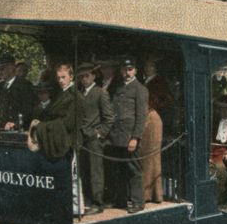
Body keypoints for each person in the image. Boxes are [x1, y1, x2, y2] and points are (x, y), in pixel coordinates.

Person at [106, 57, 149, 214]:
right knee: (118, 169)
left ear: (135, 70)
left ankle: (138, 202)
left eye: (130, 69)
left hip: (129, 136)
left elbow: (141, 117)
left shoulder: (140, 89)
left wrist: (135, 137)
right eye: (124, 69)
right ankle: (120, 200)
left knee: (134, 169)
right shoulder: (116, 88)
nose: (126, 73)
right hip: (116, 136)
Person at [77, 62, 115, 215]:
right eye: (81, 77)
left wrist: (99, 133)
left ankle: (97, 203)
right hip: (81, 138)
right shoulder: (79, 93)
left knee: (96, 172)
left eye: (87, 76)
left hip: (93, 139)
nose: (84, 79)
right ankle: (86, 201)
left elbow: (109, 118)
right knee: (83, 170)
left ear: (93, 76)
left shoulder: (100, 93)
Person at [30, 64, 84, 160]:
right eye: (58, 78)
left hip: (68, 144)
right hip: (59, 140)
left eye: (63, 77)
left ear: (71, 77)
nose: (60, 80)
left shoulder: (75, 96)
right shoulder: (62, 93)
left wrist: (42, 126)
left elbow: (69, 123)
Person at [140, 56, 175, 204]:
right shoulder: (143, 82)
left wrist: (154, 106)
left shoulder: (159, 82)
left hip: (154, 120)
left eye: (151, 66)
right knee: (143, 156)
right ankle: (144, 192)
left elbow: (168, 100)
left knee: (152, 156)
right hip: (143, 120)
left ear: (155, 68)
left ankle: (154, 194)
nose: (148, 69)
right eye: (146, 66)